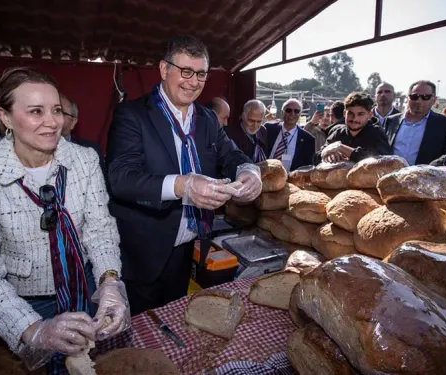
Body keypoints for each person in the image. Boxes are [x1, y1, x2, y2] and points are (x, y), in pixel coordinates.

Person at [0, 67, 130, 373]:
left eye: (56, 110)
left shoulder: (84, 160)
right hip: (29, 304)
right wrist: (33, 328)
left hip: (86, 289)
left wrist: (109, 282)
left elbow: (99, 228)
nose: (52, 122)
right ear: (6, 117)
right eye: (36, 111)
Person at [106, 36, 261, 315]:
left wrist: (249, 171)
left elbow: (232, 155)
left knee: (175, 325)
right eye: (185, 71)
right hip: (143, 253)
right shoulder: (132, 115)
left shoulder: (208, 119)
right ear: (164, 70)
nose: (193, 82)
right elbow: (120, 178)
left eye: (200, 73)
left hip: (186, 247)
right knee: (141, 337)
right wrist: (182, 185)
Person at [384, 80, 446, 165]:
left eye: (425, 97)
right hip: (392, 175)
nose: (418, 101)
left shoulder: (445, 124)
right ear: (408, 98)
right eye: (414, 96)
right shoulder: (391, 120)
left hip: (426, 176)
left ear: (434, 100)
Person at [314, 92, 392, 164]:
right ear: (344, 113)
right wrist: (328, 154)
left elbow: (382, 161)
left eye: (360, 114)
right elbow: (316, 158)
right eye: (350, 113)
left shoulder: (376, 133)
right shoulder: (337, 133)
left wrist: (341, 148)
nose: (355, 118)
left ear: (370, 114)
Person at [265, 98, 316, 172]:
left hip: (291, 181)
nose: (292, 114)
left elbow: (307, 168)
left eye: (296, 111)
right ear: (282, 112)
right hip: (266, 177)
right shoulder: (268, 129)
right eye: (288, 110)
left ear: (300, 114)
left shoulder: (308, 139)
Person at [60, 94, 105, 172]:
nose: (53, 117)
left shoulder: (91, 151)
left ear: (73, 122)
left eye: (61, 112)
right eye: (54, 111)